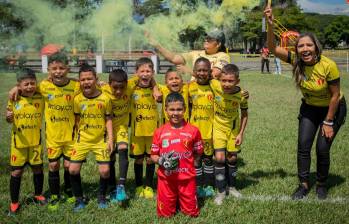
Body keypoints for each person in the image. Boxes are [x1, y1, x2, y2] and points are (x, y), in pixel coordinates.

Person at [265, 6, 347, 200]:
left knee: (322, 148)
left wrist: (328, 122)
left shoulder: (328, 66)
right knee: (303, 145)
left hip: (332, 109)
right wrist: (269, 25)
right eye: (301, 46)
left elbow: (335, 96)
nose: (304, 49)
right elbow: (272, 48)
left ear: (316, 47)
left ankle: (321, 183)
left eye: (308, 45)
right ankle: (303, 184)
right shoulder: (296, 61)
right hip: (310, 108)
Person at [8, 52, 80, 211]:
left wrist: (100, 83)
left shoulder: (75, 86)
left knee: (69, 166)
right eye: (54, 68)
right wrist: (15, 87)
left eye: (62, 68)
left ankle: (68, 192)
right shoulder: (43, 87)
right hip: (53, 136)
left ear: (67, 69)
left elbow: (88, 84)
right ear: (49, 70)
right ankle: (54, 195)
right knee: (53, 165)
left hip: (70, 135)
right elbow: (27, 86)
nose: (58, 71)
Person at [151, 92, 203, 218]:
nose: (175, 113)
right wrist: (162, 161)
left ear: (184, 109)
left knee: (192, 214)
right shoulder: (160, 131)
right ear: (166, 110)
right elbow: (153, 155)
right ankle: (174, 201)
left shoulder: (193, 130)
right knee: (165, 215)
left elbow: (198, 152)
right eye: (172, 109)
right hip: (166, 179)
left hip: (187, 178)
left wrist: (191, 165)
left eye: (179, 109)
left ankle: (183, 201)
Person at [69, 64, 114, 211]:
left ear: (96, 79)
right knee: (73, 170)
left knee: (105, 171)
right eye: (83, 79)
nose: (86, 82)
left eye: (89, 79)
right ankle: (79, 199)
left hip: (99, 140)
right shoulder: (77, 99)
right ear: (79, 81)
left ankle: (101, 196)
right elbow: (76, 120)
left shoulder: (105, 99)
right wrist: (75, 139)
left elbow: (108, 119)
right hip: (82, 140)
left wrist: (110, 139)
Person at [6, 69, 46, 214]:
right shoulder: (14, 98)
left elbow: (51, 82)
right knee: (17, 172)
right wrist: (9, 117)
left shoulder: (40, 97)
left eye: (32, 83)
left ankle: (38, 195)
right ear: (19, 85)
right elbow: (8, 118)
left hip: (35, 142)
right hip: (19, 145)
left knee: (38, 169)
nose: (30, 86)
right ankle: (14, 202)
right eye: (26, 84)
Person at [210, 64, 248, 205]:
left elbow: (244, 115)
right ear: (219, 79)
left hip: (233, 130)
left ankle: (232, 187)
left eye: (230, 81)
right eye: (223, 80)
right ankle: (220, 191)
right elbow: (202, 74)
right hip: (218, 129)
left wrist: (241, 133)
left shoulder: (242, 96)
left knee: (232, 158)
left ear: (237, 81)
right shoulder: (215, 85)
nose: (226, 84)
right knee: (219, 158)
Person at [100, 69, 133, 202]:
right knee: (110, 156)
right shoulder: (102, 89)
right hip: (106, 129)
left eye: (122, 87)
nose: (119, 91)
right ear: (109, 84)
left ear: (126, 83)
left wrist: (154, 87)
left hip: (121, 128)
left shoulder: (131, 86)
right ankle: (112, 188)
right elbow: (83, 82)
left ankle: (121, 185)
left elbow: (146, 75)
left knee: (123, 149)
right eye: (115, 88)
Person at [147, 28, 230, 80]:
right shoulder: (195, 53)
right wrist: (156, 45)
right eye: (206, 37)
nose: (206, 40)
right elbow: (174, 58)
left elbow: (213, 76)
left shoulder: (223, 56)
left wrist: (189, 71)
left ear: (218, 44)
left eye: (210, 39)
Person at [130, 57, 159, 199]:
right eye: (142, 71)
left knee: (150, 159)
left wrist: (154, 87)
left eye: (148, 71)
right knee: (138, 160)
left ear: (153, 72)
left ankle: (149, 186)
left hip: (153, 132)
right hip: (137, 132)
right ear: (136, 72)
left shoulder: (158, 90)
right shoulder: (131, 87)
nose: (145, 74)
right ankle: (138, 186)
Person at [188, 57, 215, 198]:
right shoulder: (189, 87)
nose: (202, 73)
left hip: (209, 132)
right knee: (196, 160)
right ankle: (198, 185)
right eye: (199, 70)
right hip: (194, 132)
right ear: (194, 72)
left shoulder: (215, 87)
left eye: (205, 70)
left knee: (208, 159)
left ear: (210, 71)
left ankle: (209, 185)